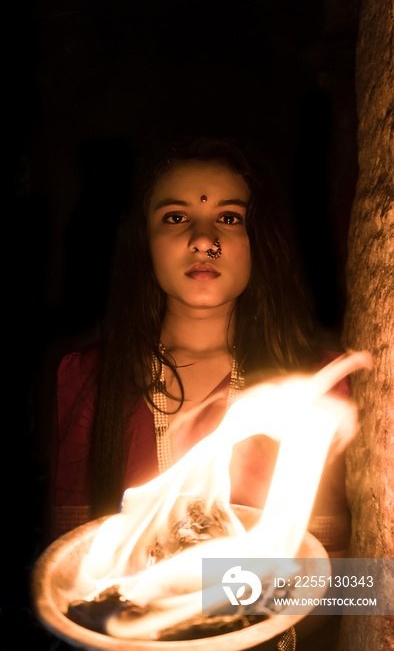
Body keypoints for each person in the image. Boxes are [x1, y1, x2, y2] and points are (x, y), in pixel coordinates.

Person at [49, 136, 350, 560]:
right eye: (176, 217)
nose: (204, 241)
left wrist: (228, 595)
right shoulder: (89, 380)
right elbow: (67, 564)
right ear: (145, 241)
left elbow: (353, 582)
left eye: (228, 218)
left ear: (257, 240)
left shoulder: (318, 385)